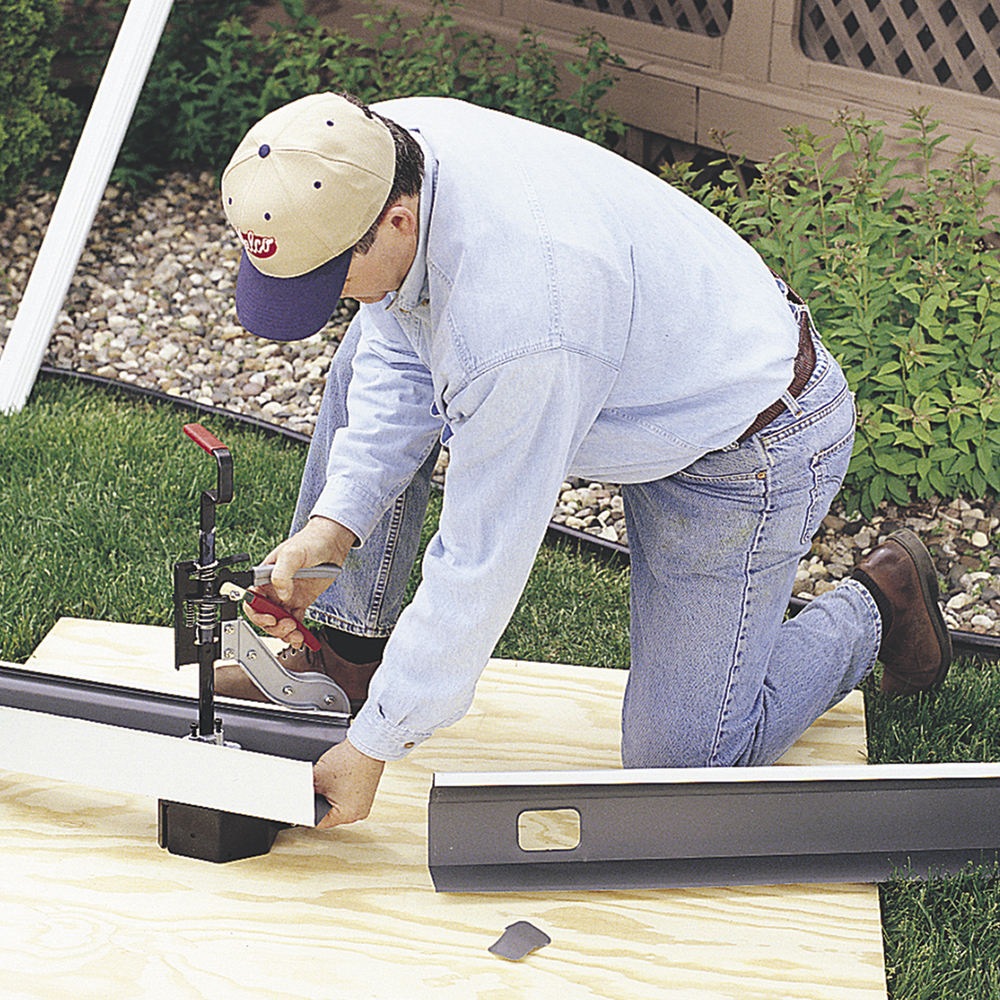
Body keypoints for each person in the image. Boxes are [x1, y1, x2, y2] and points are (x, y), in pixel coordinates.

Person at [213, 92, 952, 830]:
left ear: (398, 223)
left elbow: (482, 558)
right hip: (635, 362)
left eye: (328, 278)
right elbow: (394, 349)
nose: (333, 298)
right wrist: (334, 525)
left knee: (681, 766)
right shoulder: (360, 154)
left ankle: (879, 602)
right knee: (359, 356)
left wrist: (376, 745)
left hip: (744, 443)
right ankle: (345, 649)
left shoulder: (519, 324)